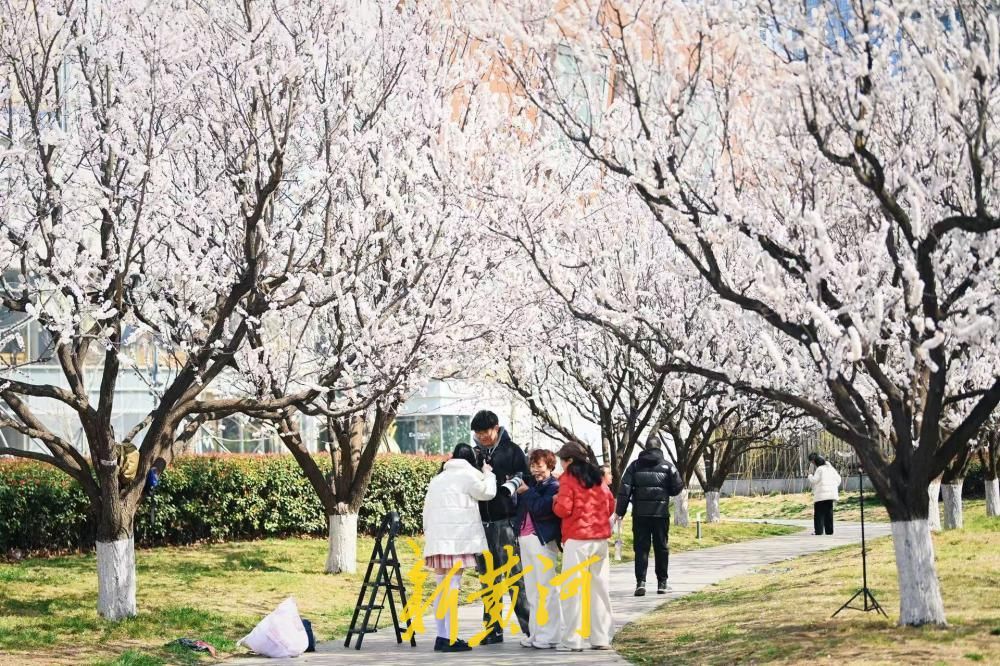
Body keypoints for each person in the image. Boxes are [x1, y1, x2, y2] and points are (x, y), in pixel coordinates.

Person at [422, 443, 497, 652]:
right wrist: (488, 473)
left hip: (438, 541)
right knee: (452, 588)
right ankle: (450, 637)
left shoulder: (437, 479)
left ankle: (442, 636)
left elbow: (425, 512)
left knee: (441, 589)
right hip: (457, 540)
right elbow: (487, 493)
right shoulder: (468, 475)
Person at [470, 409, 531, 643]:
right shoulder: (474, 455)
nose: (481, 437)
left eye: (484, 433)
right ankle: (492, 629)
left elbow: (527, 477)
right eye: (477, 434)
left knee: (514, 577)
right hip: (481, 524)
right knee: (487, 578)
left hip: (505, 522)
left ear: (496, 428)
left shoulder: (512, 450)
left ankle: (529, 628)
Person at [552, 441, 615, 652]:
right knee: (599, 590)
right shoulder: (597, 477)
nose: (561, 464)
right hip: (599, 540)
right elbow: (610, 503)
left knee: (573, 590)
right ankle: (601, 637)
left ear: (568, 461)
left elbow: (563, 509)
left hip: (577, 540)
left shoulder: (567, 479)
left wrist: (554, 502)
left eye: (562, 460)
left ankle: (573, 639)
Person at [614, 443, 684, 596]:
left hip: (640, 515)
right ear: (659, 447)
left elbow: (624, 490)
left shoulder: (634, 466)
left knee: (641, 549)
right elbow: (678, 486)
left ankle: (641, 583)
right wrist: (667, 492)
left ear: (646, 447)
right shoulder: (668, 466)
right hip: (660, 514)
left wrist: (620, 511)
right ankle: (662, 583)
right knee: (662, 548)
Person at [516, 449, 562, 649]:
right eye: (533, 466)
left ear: (550, 466)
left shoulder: (555, 486)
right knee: (533, 591)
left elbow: (543, 509)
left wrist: (527, 492)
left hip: (542, 541)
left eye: (539, 466)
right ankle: (535, 633)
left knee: (546, 589)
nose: (536, 470)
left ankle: (549, 636)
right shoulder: (532, 485)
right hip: (525, 539)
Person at [807, 453, 841, 535]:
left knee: (819, 514)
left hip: (821, 495)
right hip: (831, 495)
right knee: (828, 514)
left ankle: (819, 531)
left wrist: (810, 475)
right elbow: (839, 479)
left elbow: (814, 480)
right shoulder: (831, 469)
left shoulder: (820, 469)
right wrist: (832, 486)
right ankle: (829, 531)